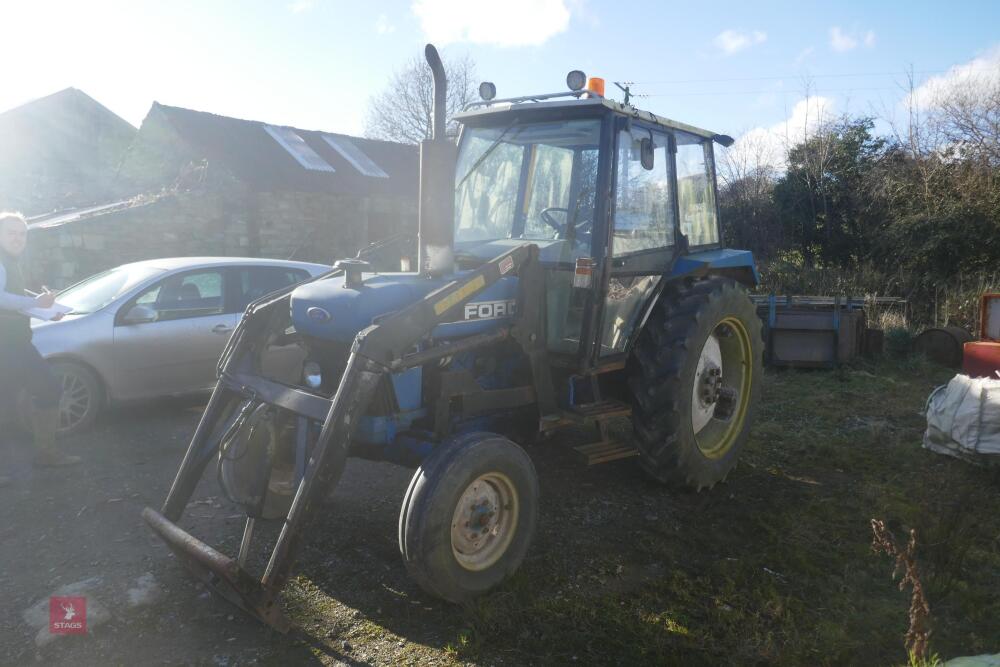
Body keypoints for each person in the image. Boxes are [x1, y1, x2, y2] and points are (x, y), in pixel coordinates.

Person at [0, 212, 80, 467]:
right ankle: (43, 455)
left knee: (47, 390)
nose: (17, 238)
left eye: (22, 234)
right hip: (6, 345)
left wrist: (47, 312)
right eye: (11, 233)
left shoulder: (12, 262)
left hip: (16, 343)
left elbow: (15, 300)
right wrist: (36, 302)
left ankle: (46, 453)